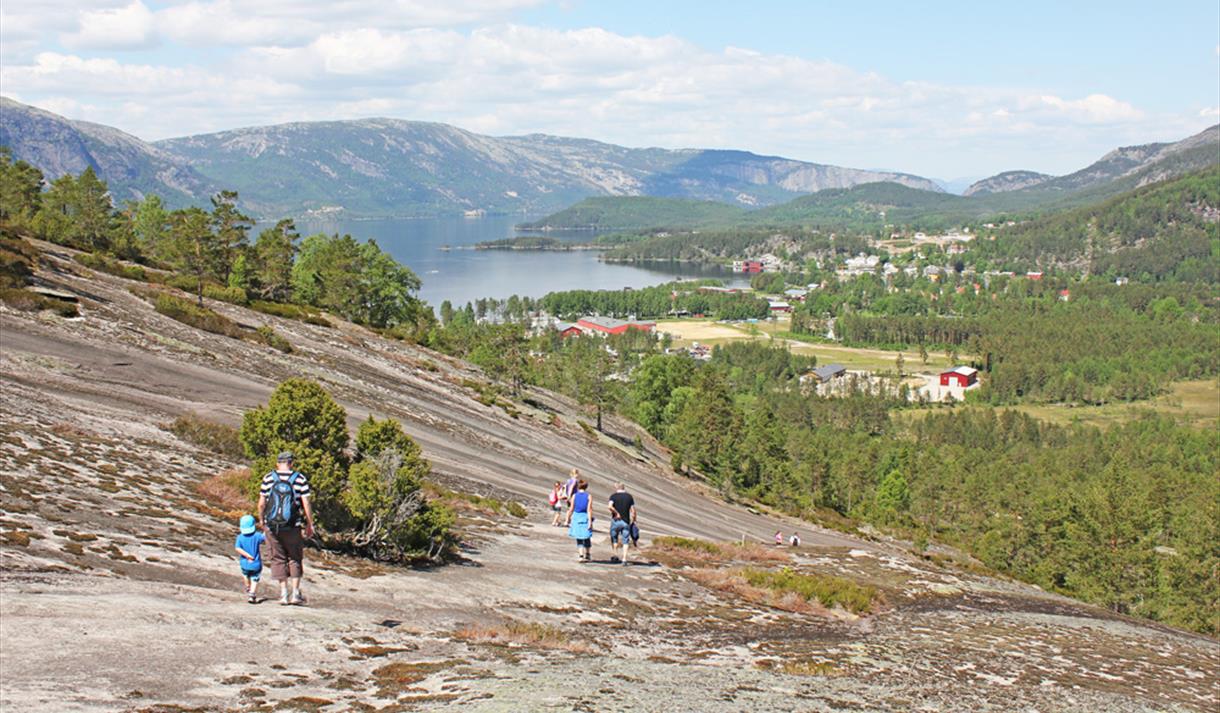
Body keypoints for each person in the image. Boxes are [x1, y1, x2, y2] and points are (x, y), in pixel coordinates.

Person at [258, 451, 316, 606]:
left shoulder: (268, 478)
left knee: (277, 557)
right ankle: (295, 594)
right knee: (294, 557)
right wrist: (310, 524)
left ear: (278, 463)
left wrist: (261, 520)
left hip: (272, 525)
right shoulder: (300, 479)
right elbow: (306, 504)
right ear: (291, 463)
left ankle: (283, 594)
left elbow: (262, 503)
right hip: (292, 526)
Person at [234, 514, 266, 604]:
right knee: (255, 578)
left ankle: (247, 585)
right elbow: (266, 537)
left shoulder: (240, 537)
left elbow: (237, 548)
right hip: (256, 563)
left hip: (245, 563)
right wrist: (266, 527)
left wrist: (247, 555)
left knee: (245, 575)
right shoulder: (257, 536)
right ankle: (252, 594)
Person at [607, 483, 636, 565]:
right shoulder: (629, 497)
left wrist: (616, 513)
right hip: (626, 521)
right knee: (625, 540)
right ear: (624, 488)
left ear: (617, 488)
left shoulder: (613, 496)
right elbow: (633, 510)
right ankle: (624, 559)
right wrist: (634, 520)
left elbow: (609, 506)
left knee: (614, 538)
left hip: (615, 520)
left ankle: (615, 555)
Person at [566, 479, 593, 562]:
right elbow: (589, 509)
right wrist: (590, 522)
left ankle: (581, 555)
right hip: (585, 516)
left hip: (576, 516)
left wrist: (568, 518)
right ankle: (588, 554)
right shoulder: (589, 496)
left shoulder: (574, 496)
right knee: (586, 536)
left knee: (579, 537)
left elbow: (571, 508)